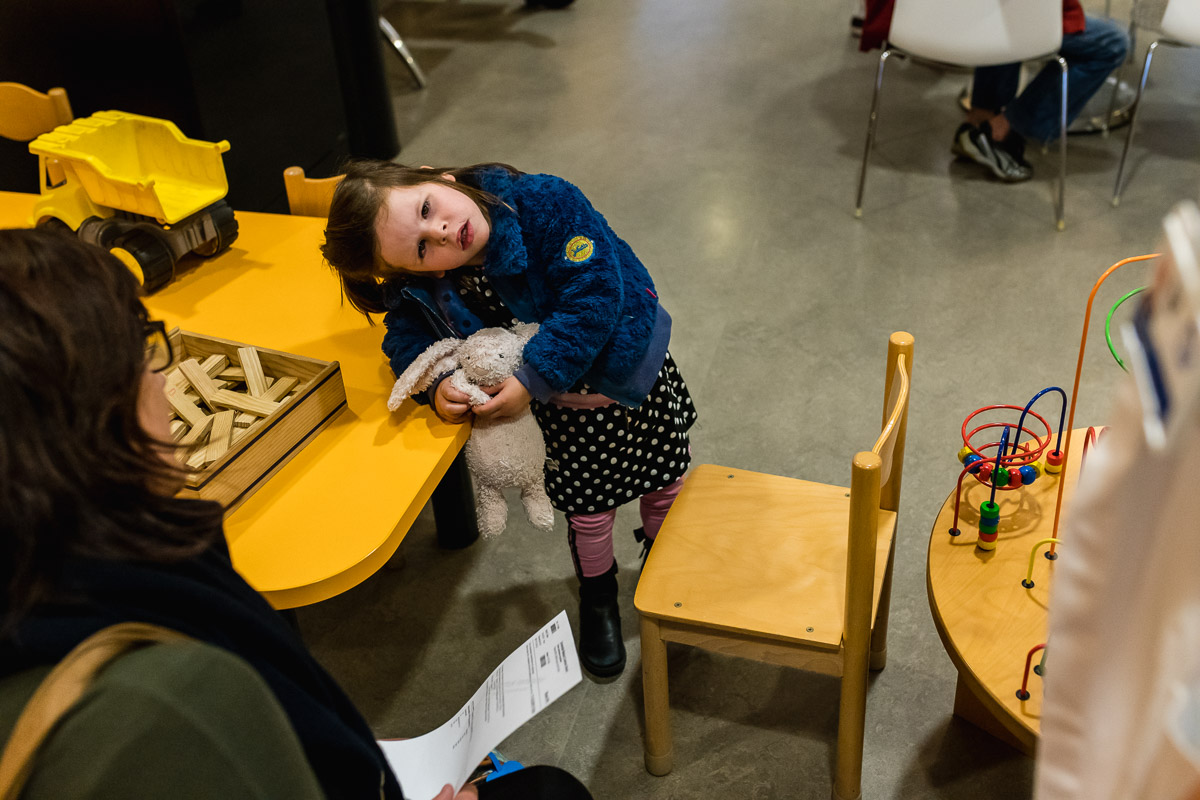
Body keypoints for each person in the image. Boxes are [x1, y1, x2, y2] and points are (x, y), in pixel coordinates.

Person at [0, 228, 591, 800]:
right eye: (143, 351)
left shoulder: (78, 569)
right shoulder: (162, 701)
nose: (162, 379)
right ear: (87, 416)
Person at [322, 160, 698, 679]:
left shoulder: (544, 203)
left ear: (439, 177)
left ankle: (669, 577)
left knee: (665, 486)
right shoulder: (426, 285)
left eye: (429, 209)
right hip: (564, 413)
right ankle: (599, 595)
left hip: (633, 381)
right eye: (423, 249)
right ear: (415, 269)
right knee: (589, 514)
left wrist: (533, 378)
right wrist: (436, 387)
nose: (442, 233)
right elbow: (405, 340)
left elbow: (593, 297)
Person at [861, 0, 1129, 182]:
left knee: (1002, 15)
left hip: (913, 22)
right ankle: (1002, 130)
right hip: (982, 24)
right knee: (1112, 44)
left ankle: (978, 121)